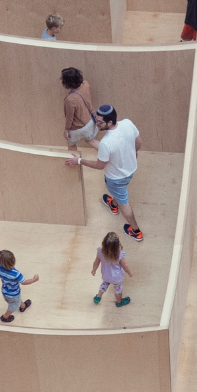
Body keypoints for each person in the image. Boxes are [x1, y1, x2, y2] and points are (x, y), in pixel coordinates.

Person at [66, 105, 144, 241]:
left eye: (100, 122)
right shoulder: (128, 124)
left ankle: (136, 231)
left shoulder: (106, 143)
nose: (97, 124)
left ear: (109, 122)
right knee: (120, 194)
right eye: (96, 120)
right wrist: (134, 152)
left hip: (116, 179)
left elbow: (99, 165)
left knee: (124, 203)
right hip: (131, 170)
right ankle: (113, 204)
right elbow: (138, 142)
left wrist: (79, 160)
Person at [0, 249, 38, 322]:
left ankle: (23, 306)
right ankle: (5, 316)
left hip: (5, 292)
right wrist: (33, 280)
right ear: (14, 261)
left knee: (17, 300)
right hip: (13, 294)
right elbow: (24, 282)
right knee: (14, 306)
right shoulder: (16, 274)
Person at [61, 68, 96, 156]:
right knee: (91, 141)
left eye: (62, 78)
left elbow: (70, 117)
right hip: (89, 122)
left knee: (71, 144)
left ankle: (74, 164)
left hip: (77, 128)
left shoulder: (70, 99)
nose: (60, 79)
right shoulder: (85, 84)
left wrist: (66, 130)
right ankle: (109, 155)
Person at [91, 231, 133, 306]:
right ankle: (119, 302)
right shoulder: (119, 255)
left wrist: (94, 270)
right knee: (118, 289)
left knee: (104, 284)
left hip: (106, 275)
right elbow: (124, 266)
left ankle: (98, 297)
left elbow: (96, 262)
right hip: (117, 278)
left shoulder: (100, 252)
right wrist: (129, 272)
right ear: (117, 245)